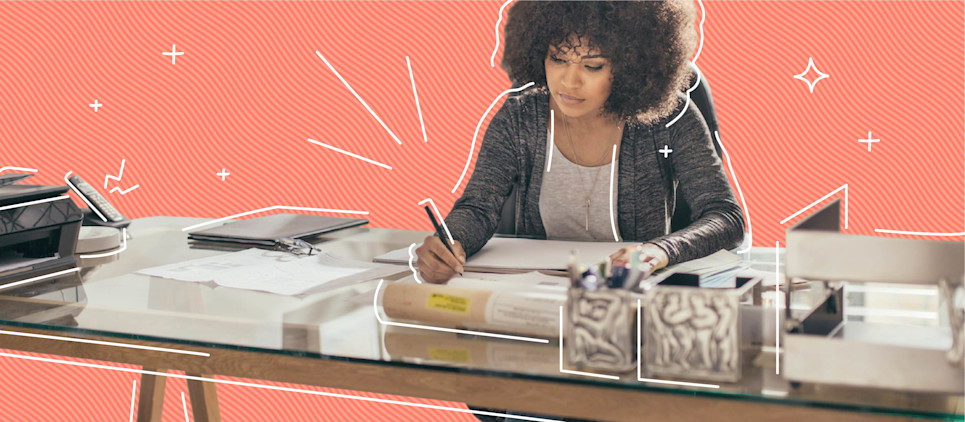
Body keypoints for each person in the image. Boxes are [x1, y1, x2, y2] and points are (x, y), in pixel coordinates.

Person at [417, 0, 744, 286]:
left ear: (633, 66)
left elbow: (725, 216)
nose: (569, 82)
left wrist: (660, 250)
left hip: (632, 300)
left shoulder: (669, 119)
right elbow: (478, 208)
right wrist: (450, 241)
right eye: (557, 59)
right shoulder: (520, 116)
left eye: (592, 66)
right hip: (536, 297)